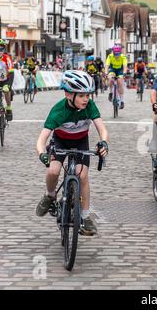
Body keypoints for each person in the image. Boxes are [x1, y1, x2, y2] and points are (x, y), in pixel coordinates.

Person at [35, 70, 109, 236]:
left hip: (81, 141)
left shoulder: (89, 106)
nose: (86, 99)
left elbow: (102, 129)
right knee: (53, 170)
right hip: (60, 141)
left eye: (88, 95)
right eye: (81, 95)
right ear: (68, 94)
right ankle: (50, 196)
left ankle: (85, 216)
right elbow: (41, 140)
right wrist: (42, 154)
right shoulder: (58, 110)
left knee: (82, 176)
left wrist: (103, 142)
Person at [105, 44, 128, 109]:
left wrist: (124, 73)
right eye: (115, 54)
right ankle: (110, 93)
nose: (116, 56)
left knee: (120, 82)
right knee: (110, 79)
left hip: (120, 70)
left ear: (120, 53)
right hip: (113, 69)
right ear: (113, 52)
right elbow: (107, 65)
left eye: (118, 54)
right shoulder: (110, 56)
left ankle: (122, 100)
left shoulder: (123, 57)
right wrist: (106, 73)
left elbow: (125, 66)